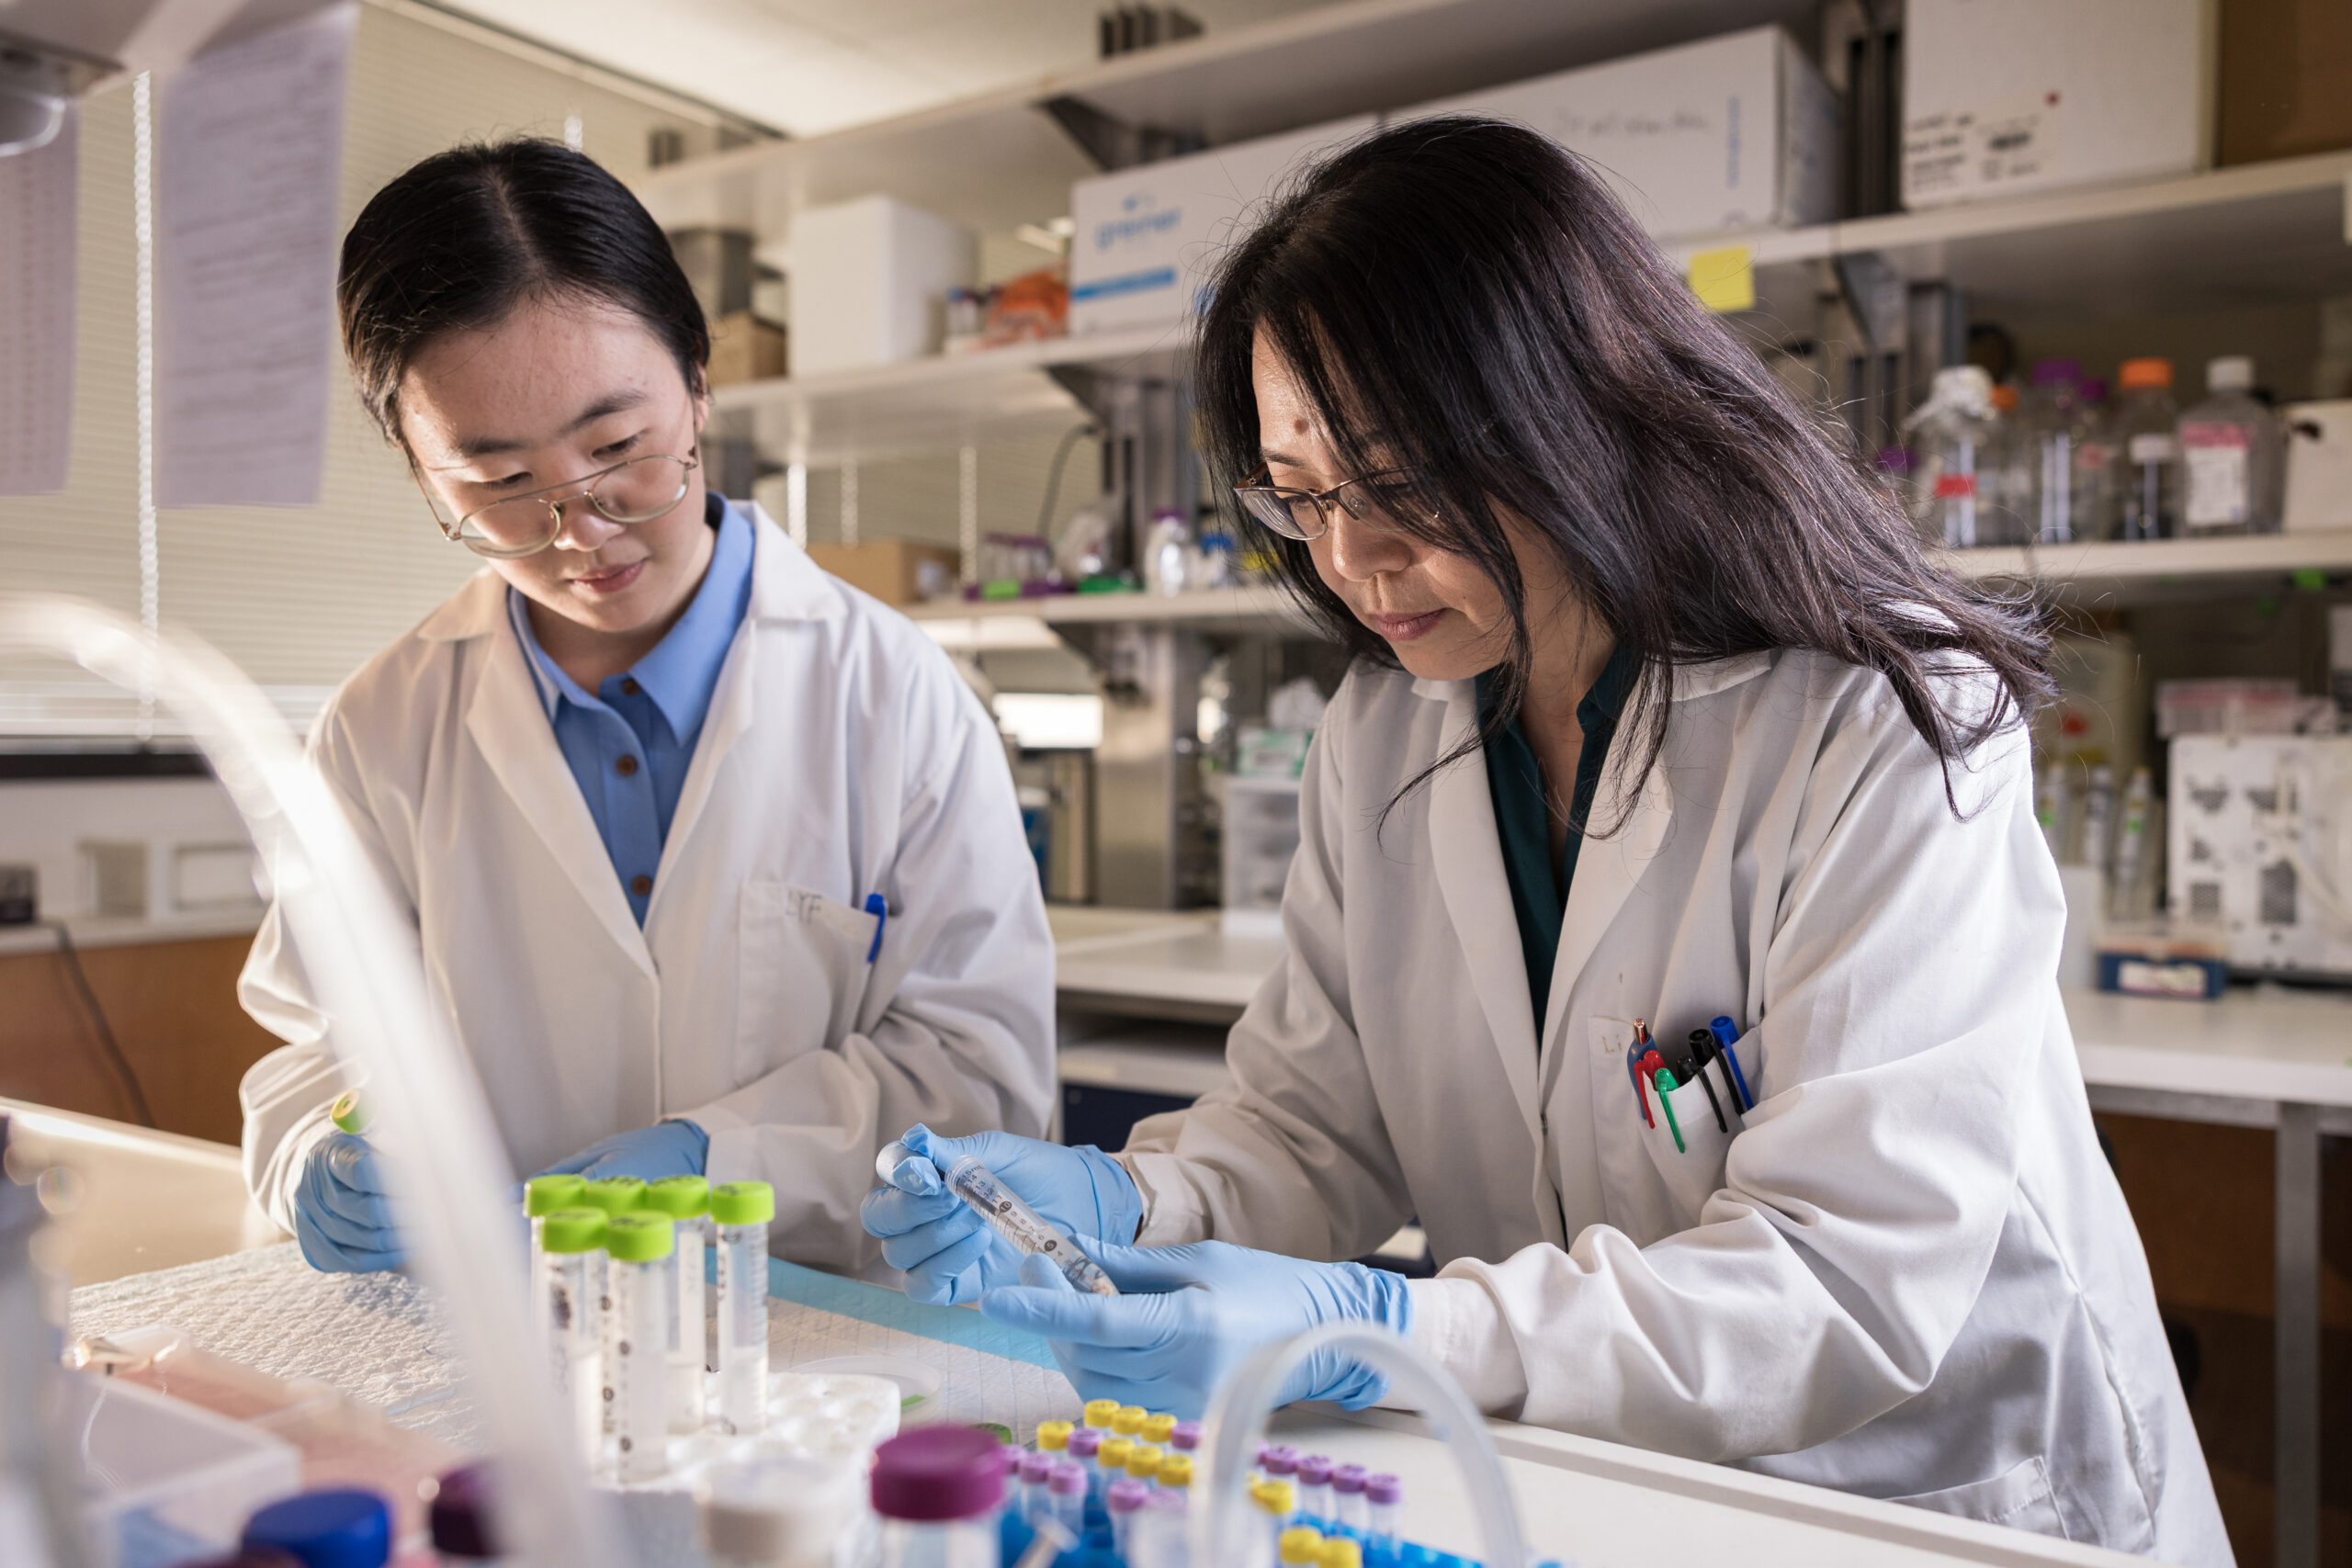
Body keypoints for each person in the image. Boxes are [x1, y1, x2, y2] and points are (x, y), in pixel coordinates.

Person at [865, 119, 2228, 1564]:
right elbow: (1319, 1125)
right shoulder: (1391, 727)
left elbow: (1845, 1275)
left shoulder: (1882, 722)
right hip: (1592, 1487)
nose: (1347, 560)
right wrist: (1121, 1195)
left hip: (1924, 1499)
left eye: (1395, 484)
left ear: (1579, 415)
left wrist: (1387, 1319)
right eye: (1303, 494)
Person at [240, 140, 1054, 1278]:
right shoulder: (382, 728)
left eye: (618, 448)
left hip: (820, 1347)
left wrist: (717, 1158)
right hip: (503, 1345)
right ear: (419, 470)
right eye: (500, 485)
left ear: (700, 383)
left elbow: (980, 1074)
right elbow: (315, 1048)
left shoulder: (894, 697)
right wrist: (311, 1162)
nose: (582, 531)